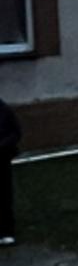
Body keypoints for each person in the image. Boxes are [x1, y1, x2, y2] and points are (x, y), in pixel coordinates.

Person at [0, 97, 22, 246]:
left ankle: (7, 231)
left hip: (2, 159)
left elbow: (16, 132)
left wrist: (3, 145)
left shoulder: (4, 110)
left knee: (4, 195)